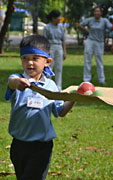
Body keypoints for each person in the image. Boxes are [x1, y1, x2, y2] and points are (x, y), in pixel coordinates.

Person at [5, 35, 75, 180]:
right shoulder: (17, 78)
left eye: (35, 58)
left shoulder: (51, 86)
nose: (29, 62)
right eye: (25, 58)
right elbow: (12, 82)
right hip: (18, 146)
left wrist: (74, 98)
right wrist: (18, 83)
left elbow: (60, 112)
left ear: (47, 62)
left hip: (41, 148)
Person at [78, 6, 112, 85]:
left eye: (98, 11)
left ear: (101, 12)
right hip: (90, 41)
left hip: (99, 42)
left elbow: (111, 27)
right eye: (95, 11)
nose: (97, 13)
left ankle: (101, 79)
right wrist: (87, 30)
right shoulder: (90, 20)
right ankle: (86, 79)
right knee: (87, 60)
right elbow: (80, 25)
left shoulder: (104, 21)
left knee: (99, 61)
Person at [44, 10, 66, 91]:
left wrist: (64, 51)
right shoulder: (47, 27)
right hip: (50, 47)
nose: (59, 19)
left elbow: (63, 40)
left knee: (59, 67)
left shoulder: (61, 27)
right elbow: (45, 39)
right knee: (49, 66)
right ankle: (47, 85)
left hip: (59, 47)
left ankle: (58, 87)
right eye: (58, 17)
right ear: (53, 18)